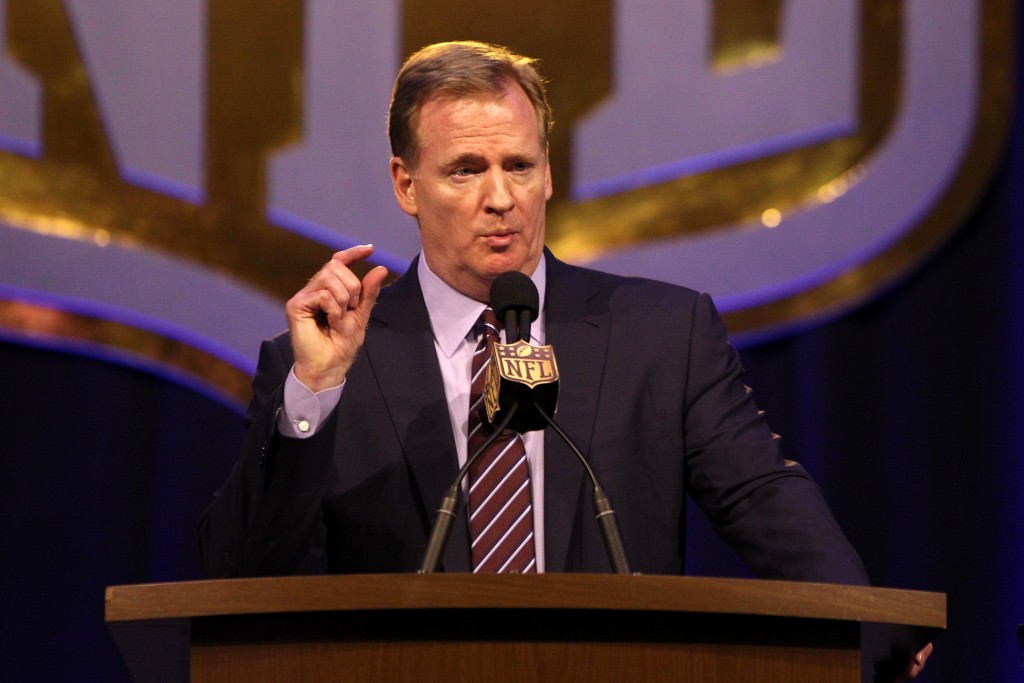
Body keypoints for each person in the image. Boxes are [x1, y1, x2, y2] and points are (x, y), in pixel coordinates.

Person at [195, 39, 930, 676]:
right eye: (465, 170)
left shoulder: (661, 334)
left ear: (549, 173)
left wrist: (857, 619)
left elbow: (760, 495)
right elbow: (240, 574)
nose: (501, 197)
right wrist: (314, 390)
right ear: (405, 184)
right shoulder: (328, 358)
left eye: (520, 164)